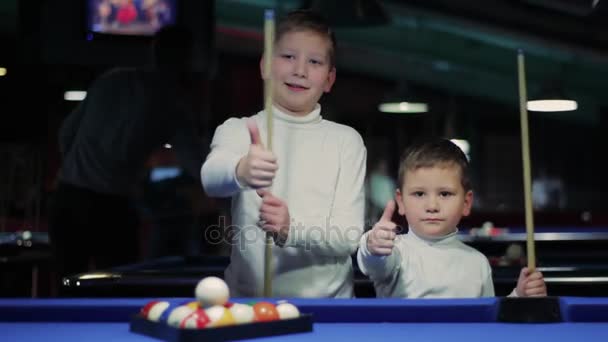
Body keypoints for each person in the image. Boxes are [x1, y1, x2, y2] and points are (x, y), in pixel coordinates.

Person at [201, 10, 366, 298]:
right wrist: (241, 170)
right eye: (288, 57)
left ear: (329, 79)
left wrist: (292, 229)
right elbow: (211, 179)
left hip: (330, 310)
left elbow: (349, 237)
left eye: (314, 62)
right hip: (249, 306)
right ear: (265, 66)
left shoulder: (347, 142)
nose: (299, 70)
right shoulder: (239, 130)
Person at [49, 24, 205, 282]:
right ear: (187, 59)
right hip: (111, 209)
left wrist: (79, 174)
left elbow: (66, 133)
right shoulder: (173, 104)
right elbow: (199, 166)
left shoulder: (112, 79)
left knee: (67, 286)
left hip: (68, 198)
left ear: (153, 51)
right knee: (115, 287)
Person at [357, 139, 547, 298]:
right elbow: (374, 263)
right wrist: (372, 244)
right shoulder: (394, 252)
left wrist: (519, 296)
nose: (432, 206)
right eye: (419, 194)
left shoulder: (478, 263)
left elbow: (487, 323)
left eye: (445, 194)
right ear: (401, 201)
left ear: (466, 202)